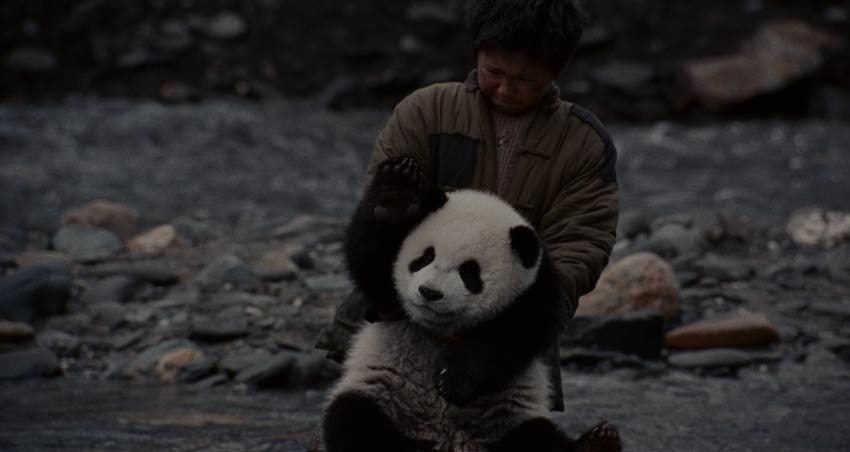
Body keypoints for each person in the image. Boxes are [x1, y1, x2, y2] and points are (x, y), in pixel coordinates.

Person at [316, 0, 618, 414]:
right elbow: (377, 212)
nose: (507, 89)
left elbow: (581, 244)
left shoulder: (583, 143)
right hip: (396, 312)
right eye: (495, 72)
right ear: (477, 51)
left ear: (558, 68)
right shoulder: (425, 111)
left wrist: (515, 323)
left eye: (525, 78)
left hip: (499, 341)